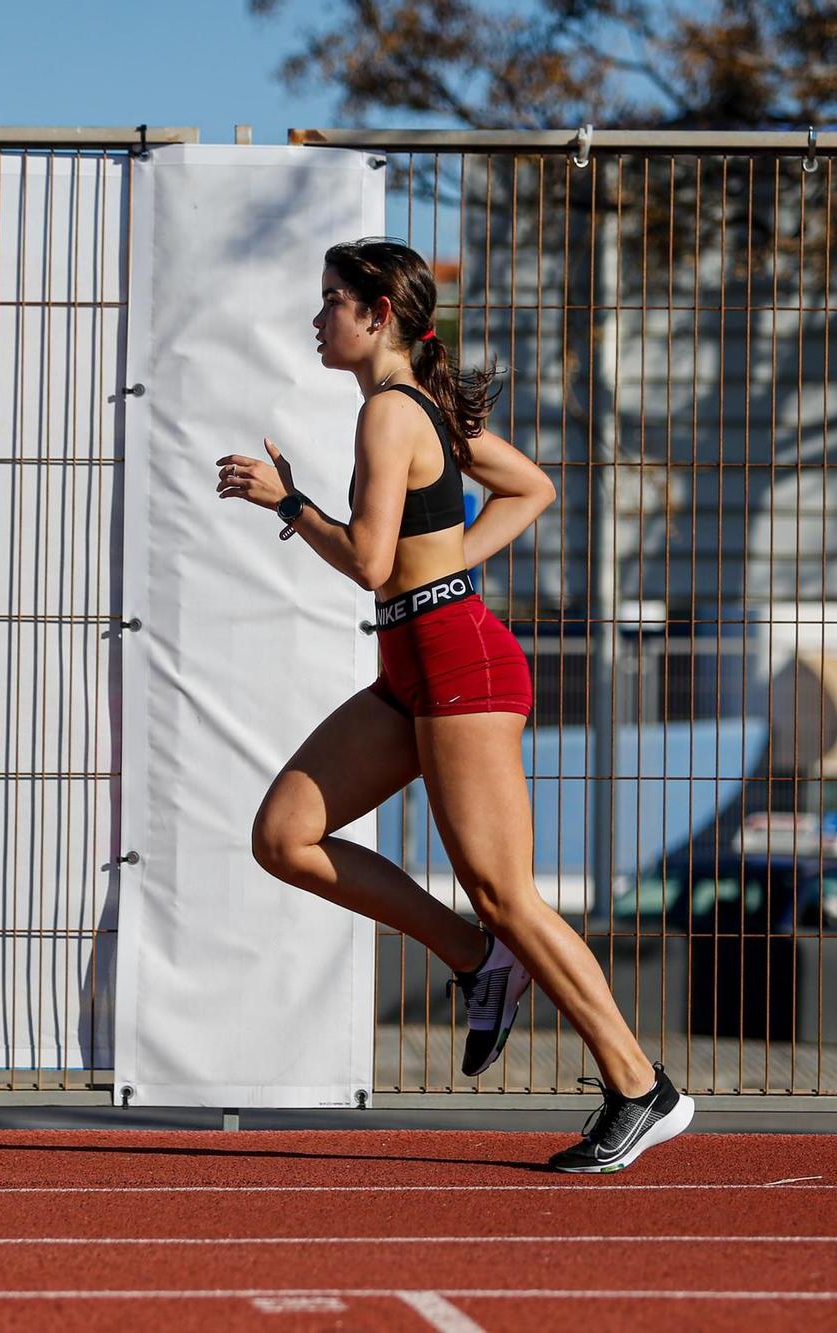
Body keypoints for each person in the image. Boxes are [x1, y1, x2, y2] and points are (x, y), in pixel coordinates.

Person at [214, 237, 693, 1173]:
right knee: (284, 834)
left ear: (376, 313)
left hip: (462, 669)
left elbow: (370, 563)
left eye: (330, 301)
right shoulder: (418, 406)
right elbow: (531, 488)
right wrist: (452, 567)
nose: (319, 318)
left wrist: (287, 501)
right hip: (413, 669)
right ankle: (476, 960)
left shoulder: (391, 416)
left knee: (508, 892)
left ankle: (642, 1087)